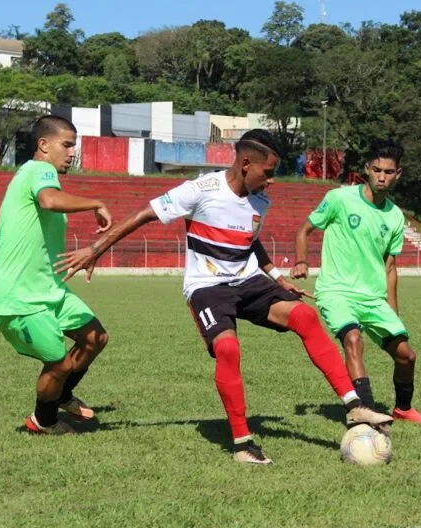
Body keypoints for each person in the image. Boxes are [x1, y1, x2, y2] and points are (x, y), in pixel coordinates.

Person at [54, 129, 393, 464]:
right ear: (246, 163)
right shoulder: (200, 190)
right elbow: (143, 215)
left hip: (247, 281)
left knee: (305, 316)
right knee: (228, 348)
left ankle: (353, 405)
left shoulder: (260, 199)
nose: (271, 181)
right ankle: (243, 442)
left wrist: (276, 276)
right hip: (207, 288)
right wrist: (96, 249)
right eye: (268, 172)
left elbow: (248, 240)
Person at [0, 115, 112, 435]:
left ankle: (63, 394)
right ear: (43, 145)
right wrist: (95, 202)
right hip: (19, 297)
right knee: (59, 364)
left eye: (74, 146)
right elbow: (49, 200)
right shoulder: (39, 171)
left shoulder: (35, 175)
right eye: (66, 145)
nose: (72, 153)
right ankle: (43, 421)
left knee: (95, 337)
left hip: (47, 290)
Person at [291, 140, 421, 426]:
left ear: (398, 174)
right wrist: (301, 260)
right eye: (377, 169)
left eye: (389, 172)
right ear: (367, 169)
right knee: (353, 340)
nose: (382, 176)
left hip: (372, 297)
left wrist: (392, 309)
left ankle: (403, 408)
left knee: (406, 356)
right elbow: (304, 230)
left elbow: (390, 268)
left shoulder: (394, 216)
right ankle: (364, 410)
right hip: (336, 291)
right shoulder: (339, 199)